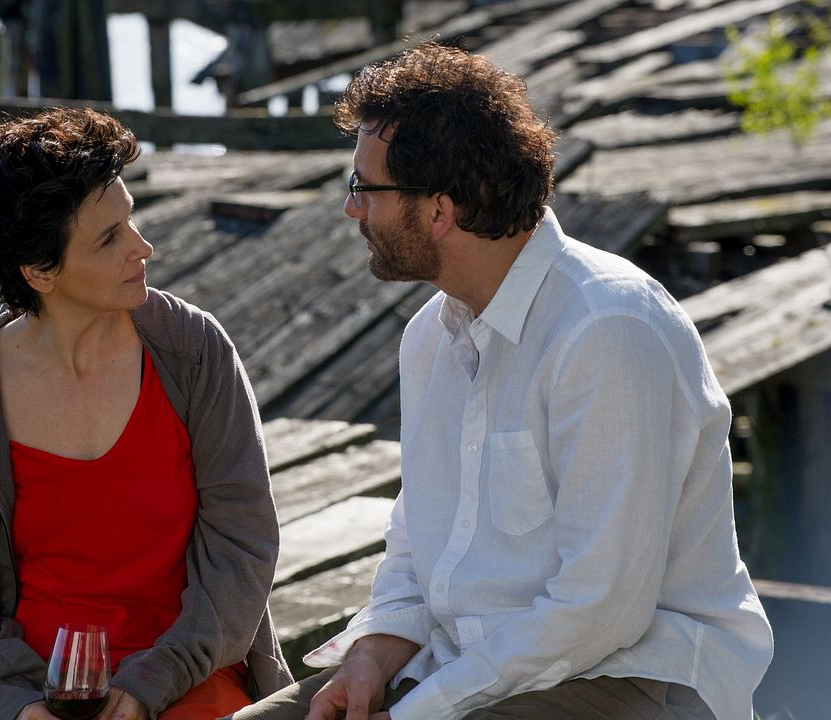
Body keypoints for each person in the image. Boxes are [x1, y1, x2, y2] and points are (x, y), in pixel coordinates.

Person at [226, 43, 773, 720]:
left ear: (439, 211)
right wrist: (372, 652)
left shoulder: (608, 329)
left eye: (364, 188)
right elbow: (419, 536)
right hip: (468, 667)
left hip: (632, 673)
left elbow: (600, 611)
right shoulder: (430, 334)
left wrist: (423, 708)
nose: (351, 210)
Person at [0, 107, 292, 720]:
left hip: (184, 671)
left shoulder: (193, 352)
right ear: (40, 271)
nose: (143, 247)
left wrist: (151, 684)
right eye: (109, 238)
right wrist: (18, 706)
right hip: (12, 689)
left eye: (130, 220)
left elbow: (243, 548)